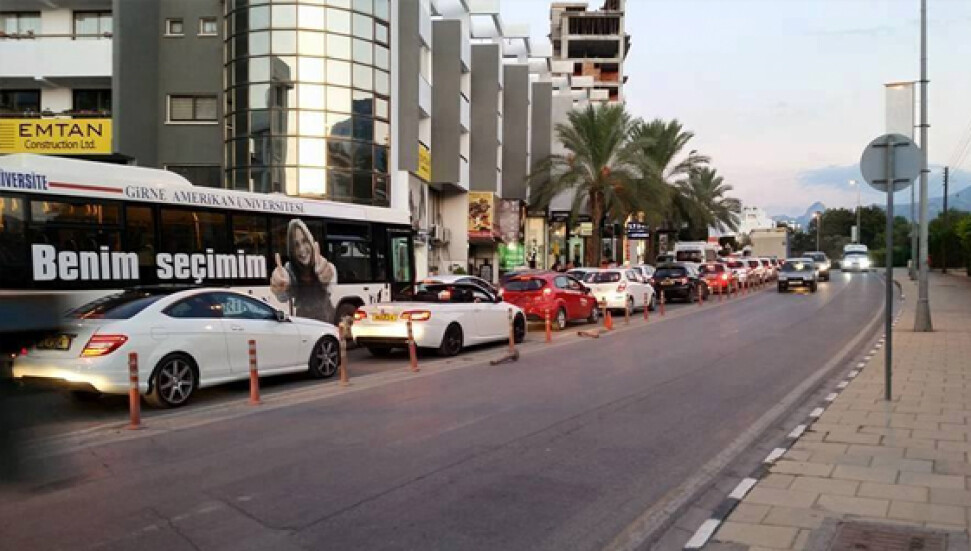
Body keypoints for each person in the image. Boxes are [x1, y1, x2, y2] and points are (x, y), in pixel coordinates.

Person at [270, 219, 337, 322]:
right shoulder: (290, 269)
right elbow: (283, 296)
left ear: (311, 241)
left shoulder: (322, 264)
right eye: (296, 245)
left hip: (326, 320)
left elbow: (330, 281)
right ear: (291, 250)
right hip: (304, 321)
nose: (301, 249)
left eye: (304, 241)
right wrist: (280, 287)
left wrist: (327, 277)